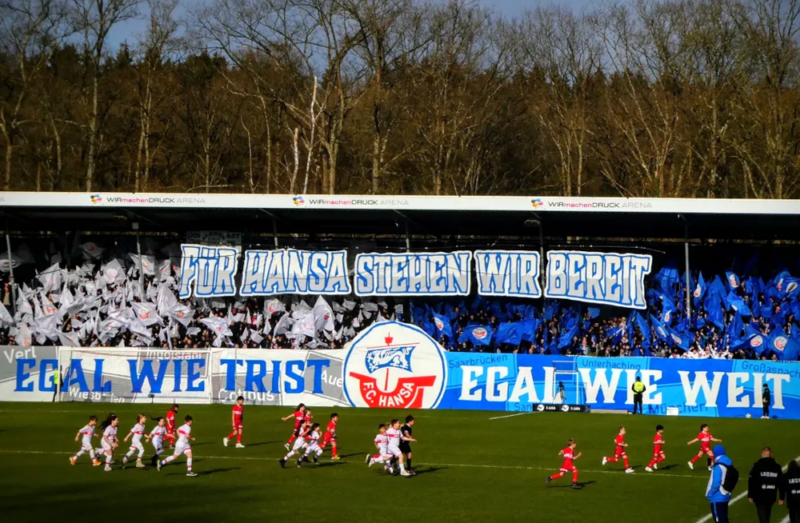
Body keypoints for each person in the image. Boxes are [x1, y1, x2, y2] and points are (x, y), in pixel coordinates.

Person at [748, 447, 783, 523]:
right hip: (771, 494)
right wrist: (781, 497)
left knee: (762, 515)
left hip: (759, 495)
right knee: (767, 513)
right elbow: (781, 482)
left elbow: (751, 480)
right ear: (771, 454)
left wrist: (750, 494)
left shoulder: (756, 466)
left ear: (762, 454)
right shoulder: (777, 467)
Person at [706, 445, 734, 523]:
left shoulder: (718, 466)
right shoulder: (728, 463)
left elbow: (716, 483)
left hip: (717, 497)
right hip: (725, 494)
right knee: (724, 519)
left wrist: (710, 494)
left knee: (720, 520)